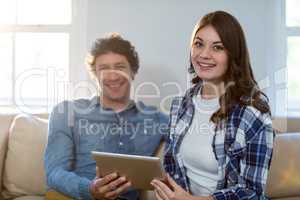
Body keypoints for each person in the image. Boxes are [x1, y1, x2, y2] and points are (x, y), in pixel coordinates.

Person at [151, 11, 274, 200]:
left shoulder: (253, 112)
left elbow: (252, 192)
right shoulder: (180, 105)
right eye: (198, 44)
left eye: (217, 47)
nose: (204, 55)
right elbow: (172, 169)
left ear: (233, 55)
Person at [44, 33, 168, 200]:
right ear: (95, 75)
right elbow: (54, 172)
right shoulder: (66, 112)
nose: (112, 76)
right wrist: (89, 189)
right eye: (103, 69)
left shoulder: (157, 119)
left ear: (133, 72)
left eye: (120, 67)